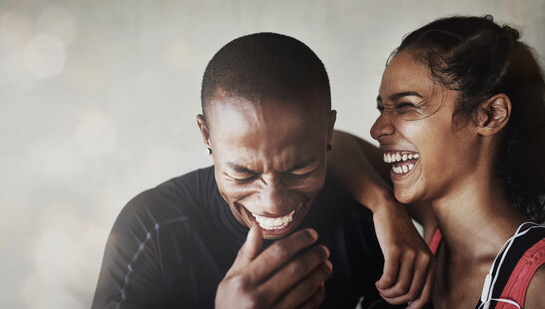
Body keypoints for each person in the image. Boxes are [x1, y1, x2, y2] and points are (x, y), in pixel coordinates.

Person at [91, 32, 433, 308]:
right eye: (244, 174)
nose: (273, 202)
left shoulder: (363, 222)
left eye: (299, 169)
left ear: (327, 132)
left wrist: (385, 205)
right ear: (207, 136)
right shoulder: (152, 228)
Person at [342, 15, 545, 308]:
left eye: (406, 106)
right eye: (382, 108)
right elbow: (328, 146)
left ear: (489, 115)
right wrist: (384, 206)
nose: (377, 128)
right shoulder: (437, 234)